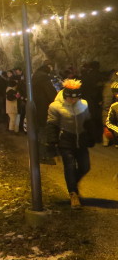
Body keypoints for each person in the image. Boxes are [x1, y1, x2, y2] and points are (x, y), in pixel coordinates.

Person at [45, 79, 94, 209]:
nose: (73, 101)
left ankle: (72, 183)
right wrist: (52, 143)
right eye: (70, 98)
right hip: (65, 141)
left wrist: (91, 135)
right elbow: (52, 125)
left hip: (81, 141)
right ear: (65, 95)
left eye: (76, 98)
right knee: (70, 166)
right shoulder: (55, 106)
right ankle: (73, 194)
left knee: (85, 166)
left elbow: (88, 121)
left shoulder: (83, 104)